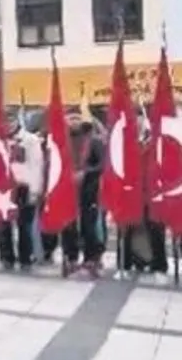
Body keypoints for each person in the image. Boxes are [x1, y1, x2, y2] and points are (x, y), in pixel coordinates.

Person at [63, 110, 104, 276]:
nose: (73, 122)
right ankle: (71, 257)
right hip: (67, 190)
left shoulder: (93, 141)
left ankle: (91, 258)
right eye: (70, 118)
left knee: (89, 225)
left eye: (76, 118)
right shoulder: (63, 140)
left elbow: (102, 164)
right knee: (68, 226)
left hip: (89, 189)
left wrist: (85, 172)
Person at [3, 119, 44, 271]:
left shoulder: (30, 140)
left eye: (10, 121)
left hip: (23, 186)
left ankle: (25, 257)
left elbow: (37, 165)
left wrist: (35, 190)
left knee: (24, 225)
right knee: (4, 224)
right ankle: (7, 257)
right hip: (4, 187)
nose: (7, 125)